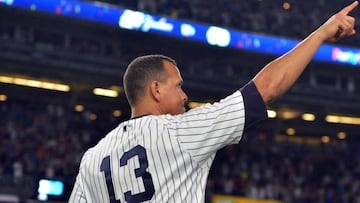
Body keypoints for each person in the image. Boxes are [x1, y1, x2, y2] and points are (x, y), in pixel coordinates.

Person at [69, 1, 358, 202]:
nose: (185, 96)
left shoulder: (92, 159)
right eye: (179, 86)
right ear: (156, 90)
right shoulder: (180, 132)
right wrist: (321, 33)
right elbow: (266, 89)